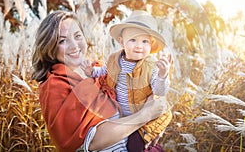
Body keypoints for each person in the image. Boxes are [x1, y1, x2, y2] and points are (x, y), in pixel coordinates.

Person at [31, 10, 167, 152]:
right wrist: (146, 115)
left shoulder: (103, 71)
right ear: (50, 47)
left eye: (78, 36)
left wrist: (154, 125)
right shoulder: (55, 85)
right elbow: (91, 142)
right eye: (63, 40)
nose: (74, 46)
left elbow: (148, 96)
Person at [81, 10, 173, 151]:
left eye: (144, 41)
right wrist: (91, 72)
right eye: (133, 40)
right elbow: (103, 71)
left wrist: (162, 76)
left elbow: (159, 91)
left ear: (151, 44)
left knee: (136, 146)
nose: (139, 45)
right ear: (122, 42)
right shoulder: (113, 59)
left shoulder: (151, 67)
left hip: (142, 119)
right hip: (120, 117)